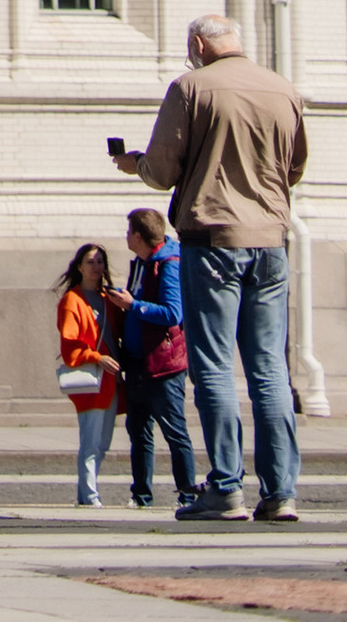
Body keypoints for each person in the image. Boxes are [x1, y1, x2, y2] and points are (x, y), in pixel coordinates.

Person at [115, 11, 307, 522]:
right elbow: (296, 167)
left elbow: (162, 171)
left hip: (212, 238)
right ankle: (281, 490)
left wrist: (135, 164)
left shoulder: (190, 87)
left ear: (198, 44)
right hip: (270, 241)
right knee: (269, 369)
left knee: (215, 366)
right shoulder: (281, 88)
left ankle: (225, 487)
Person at [119, 207, 197, 513]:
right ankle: (141, 494)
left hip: (163, 364)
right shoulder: (142, 262)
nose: (126, 236)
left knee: (175, 431)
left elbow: (172, 314)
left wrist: (133, 305)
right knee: (138, 432)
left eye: (128, 232)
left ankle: (188, 494)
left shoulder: (168, 263)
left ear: (138, 235)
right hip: (137, 361)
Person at [58, 243, 121, 508]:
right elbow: (69, 343)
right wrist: (97, 357)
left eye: (100, 262)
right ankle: (90, 495)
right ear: (79, 266)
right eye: (90, 262)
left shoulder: (109, 298)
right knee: (91, 440)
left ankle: (86, 493)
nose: (96, 267)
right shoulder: (72, 300)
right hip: (90, 377)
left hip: (111, 379)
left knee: (103, 441)